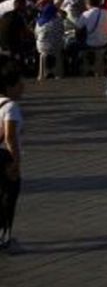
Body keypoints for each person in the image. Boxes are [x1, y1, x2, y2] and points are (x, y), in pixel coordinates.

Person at [0, 61, 23, 251]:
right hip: (4, 157)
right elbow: (9, 136)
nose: (22, 87)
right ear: (9, 86)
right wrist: (15, 161)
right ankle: (5, 236)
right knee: (9, 197)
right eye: (19, 84)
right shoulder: (12, 107)